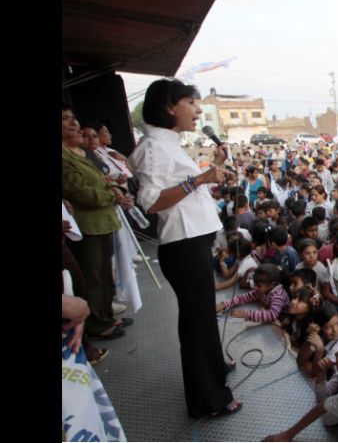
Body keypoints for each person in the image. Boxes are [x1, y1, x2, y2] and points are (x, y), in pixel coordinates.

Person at [127, 79, 241, 417]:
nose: (198, 109)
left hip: (194, 242)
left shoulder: (170, 144)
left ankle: (214, 370)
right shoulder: (154, 148)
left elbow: (182, 189)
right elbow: (152, 203)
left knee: (203, 316)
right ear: (169, 106)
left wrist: (210, 167)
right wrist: (201, 179)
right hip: (183, 246)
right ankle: (208, 401)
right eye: (191, 102)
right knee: (197, 324)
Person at [63, 105, 133, 341]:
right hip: (88, 225)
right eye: (65, 120)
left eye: (73, 118)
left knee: (104, 273)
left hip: (104, 221)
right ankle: (97, 323)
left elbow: (103, 181)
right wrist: (112, 195)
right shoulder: (64, 158)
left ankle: (106, 315)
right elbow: (81, 192)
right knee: (93, 276)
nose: (73, 124)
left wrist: (112, 188)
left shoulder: (82, 153)